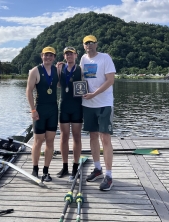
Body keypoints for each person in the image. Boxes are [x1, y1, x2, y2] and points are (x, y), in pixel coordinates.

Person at [79, 35, 116, 191]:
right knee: (93, 136)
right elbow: (80, 77)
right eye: (86, 43)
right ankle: (97, 168)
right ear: (84, 46)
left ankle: (109, 175)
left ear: (96, 44)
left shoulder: (105, 58)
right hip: (88, 104)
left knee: (105, 137)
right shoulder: (82, 59)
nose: (89, 45)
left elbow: (110, 80)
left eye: (91, 42)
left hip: (104, 104)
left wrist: (94, 94)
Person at [26, 46, 59, 182]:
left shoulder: (57, 70)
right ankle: (35, 170)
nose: (48, 57)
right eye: (46, 55)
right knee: (38, 141)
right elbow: (28, 91)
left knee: (50, 141)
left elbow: (65, 83)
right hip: (40, 110)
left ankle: (46, 171)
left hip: (53, 110)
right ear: (42, 56)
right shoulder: (35, 71)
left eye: (51, 55)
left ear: (54, 58)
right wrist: (33, 110)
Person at [56, 47, 83, 181]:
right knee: (64, 137)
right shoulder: (60, 68)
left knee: (77, 137)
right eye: (67, 54)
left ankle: (75, 167)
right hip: (64, 106)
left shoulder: (81, 69)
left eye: (71, 54)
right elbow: (56, 84)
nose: (69, 56)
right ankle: (65, 166)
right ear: (64, 56)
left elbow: (88, 84)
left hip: (77, 107)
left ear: (76, 55)